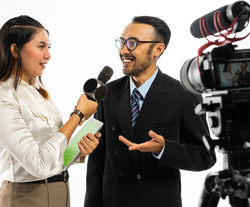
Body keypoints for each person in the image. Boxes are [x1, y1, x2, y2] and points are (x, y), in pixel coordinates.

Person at [84, 16, 216, 207]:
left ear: (158, 49)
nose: (123, 50)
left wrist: (164, 149)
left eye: (132, 43)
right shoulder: (108, 93)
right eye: (121, 42)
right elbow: (96, 162)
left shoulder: (183, 94)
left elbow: (205, 156)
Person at [0, 15, 100, 207]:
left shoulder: (38, 92)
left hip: (60, 192)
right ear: (14, 49)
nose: (48, 55)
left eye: (48, 47)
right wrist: (77, 115)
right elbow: (38, 165)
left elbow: (52, 153)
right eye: (40, 46)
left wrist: (79, 150)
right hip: (26, 197)